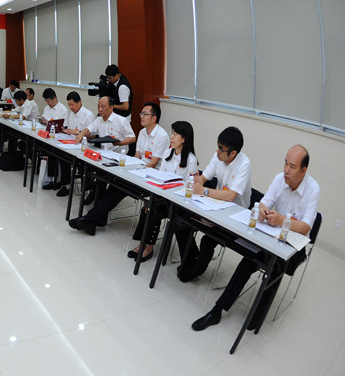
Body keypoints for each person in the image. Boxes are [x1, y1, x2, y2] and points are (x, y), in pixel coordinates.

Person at [192, 145, 319, 332]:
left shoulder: (312, 189)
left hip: (293, 247)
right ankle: (217, 311)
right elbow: (264, 203)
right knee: (248, 260)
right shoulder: (280, 179)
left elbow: (306, 227)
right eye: (285, 163)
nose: (286, 170)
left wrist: (281, 221)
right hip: (271, 237)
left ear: (303, 170)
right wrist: (262, 211)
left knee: (275, 268)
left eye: (292, 166)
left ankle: (257, 317)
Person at [68, 103, 164, 236]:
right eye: (141, 113)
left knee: (117, 189)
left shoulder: (162, 136)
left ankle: (89, 219)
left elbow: (153, 163)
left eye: (144, 114)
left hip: (149, 178)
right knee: (114, 186)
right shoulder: (142, 132)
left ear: (154, 118)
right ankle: (94, 220)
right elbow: (137, 157)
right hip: (137, 172)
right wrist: (131, 169)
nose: (141, 116)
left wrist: (134, 171)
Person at [176, 126, 252, 282]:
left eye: (221, 149)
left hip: (235, 214)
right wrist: (197, 181)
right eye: (218, 146)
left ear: (233, 153)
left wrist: (203, 190)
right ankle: (191, 259)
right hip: (215, 206)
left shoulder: (244, 164)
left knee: (208, 240)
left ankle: (196, 270)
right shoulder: (218, 156)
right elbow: (204, 178)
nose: (217, 151)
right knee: (180, 220)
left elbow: (231, 196)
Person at [127, 120, 198, 261]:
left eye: (175, 134)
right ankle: (144, 244)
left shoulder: (191, 160)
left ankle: (148, 247)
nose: (171, 137)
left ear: (184, 139)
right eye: (171, 133)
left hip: (178, 202)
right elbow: (160, 177)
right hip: (163, 196)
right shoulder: (167, 153)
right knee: (148, 207)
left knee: (152, 208)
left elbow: (188, 187)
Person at [71, 95, 137, 206]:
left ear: (111, 107)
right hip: (103, 156)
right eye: (98, 107)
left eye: (103, 106)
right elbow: (89, 129)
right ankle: (93, 192)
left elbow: (132, 137)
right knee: (83, 164)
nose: (100, 109)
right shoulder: (99, 120)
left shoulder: (121, 120)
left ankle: (97, 198)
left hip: (117, 158)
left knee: (101, 176)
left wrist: (119, 143)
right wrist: (81, 134)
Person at [53, 91, 95, 197]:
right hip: (72, 144)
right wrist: (64, 130)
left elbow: (93, 136)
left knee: (75, 161)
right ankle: (65, 184)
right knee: (60, 154)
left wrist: (77, 132)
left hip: (85, 146)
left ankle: (88, 189)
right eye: (69, 105)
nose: (70, 107)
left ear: (79, 102)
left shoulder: (88, 115)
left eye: (72, 104)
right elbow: (70, 131)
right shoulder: (71, 114)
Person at [37, 88, 69, 190]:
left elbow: (64, 126)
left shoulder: (63, 110)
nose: (47, 103)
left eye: (48, 100)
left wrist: (48, 123)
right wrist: (42, 120)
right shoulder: (47, 108)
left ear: (54, 98)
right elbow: (45, 122)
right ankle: (51, 178)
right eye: (46, 101)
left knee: (52, 152)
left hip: (58, 138)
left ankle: (57, 180)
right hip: (46, 136)